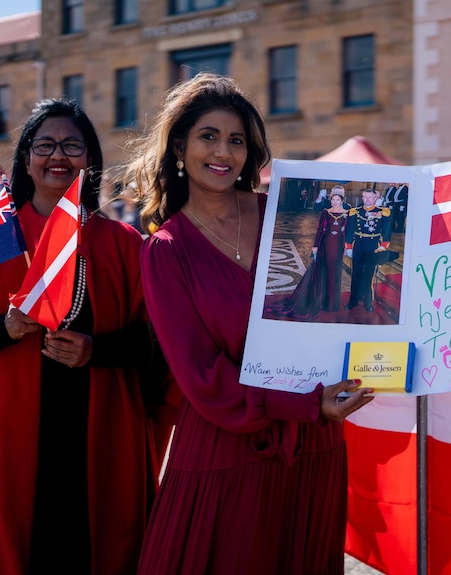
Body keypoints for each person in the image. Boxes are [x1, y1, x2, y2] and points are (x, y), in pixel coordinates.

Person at [0, 98, 173, 575]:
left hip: (101, 433)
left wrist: (98, 350)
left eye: (73, 145)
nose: (58, 156)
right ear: (25, 158)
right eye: (44, 144)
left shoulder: (126, 245)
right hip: (5, 434)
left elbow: (162, 343)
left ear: (90, 159)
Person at [124, 72, 374, 574]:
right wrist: (304, 405)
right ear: (178, 147)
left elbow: (389, 253)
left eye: (236, 140)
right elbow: (201, 377)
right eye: (208, 137)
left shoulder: (289, 214)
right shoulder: (166, 251)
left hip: (313, 442)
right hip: (227, 444)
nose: (224, 151)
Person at [266, 184, 349, 318]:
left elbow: (348, 231)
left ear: (342, 200)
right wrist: (315, 245)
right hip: (325, 244)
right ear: (330, 200)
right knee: (322, 270)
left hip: (339, 245)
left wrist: (347, 246)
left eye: (338, 199)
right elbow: (319, 229)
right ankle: (320, 299)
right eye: (333, 199)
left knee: (335, 272)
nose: (335, 202)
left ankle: (331, 303)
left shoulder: (347, 213)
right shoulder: (325, 212)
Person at [345, 188, 392, 312]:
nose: (367, 199)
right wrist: (348, 246)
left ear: (375, 198)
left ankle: (368, 302)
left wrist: (383, 245)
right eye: (365, 197)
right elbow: (349, 230)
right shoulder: (355, 211)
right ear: (362, 197)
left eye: (370, 197)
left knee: (369, 274)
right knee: (356, 273)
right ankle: (353, 300)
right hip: (358, 244)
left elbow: (387, 230)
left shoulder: (383, 212)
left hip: (373, 245)